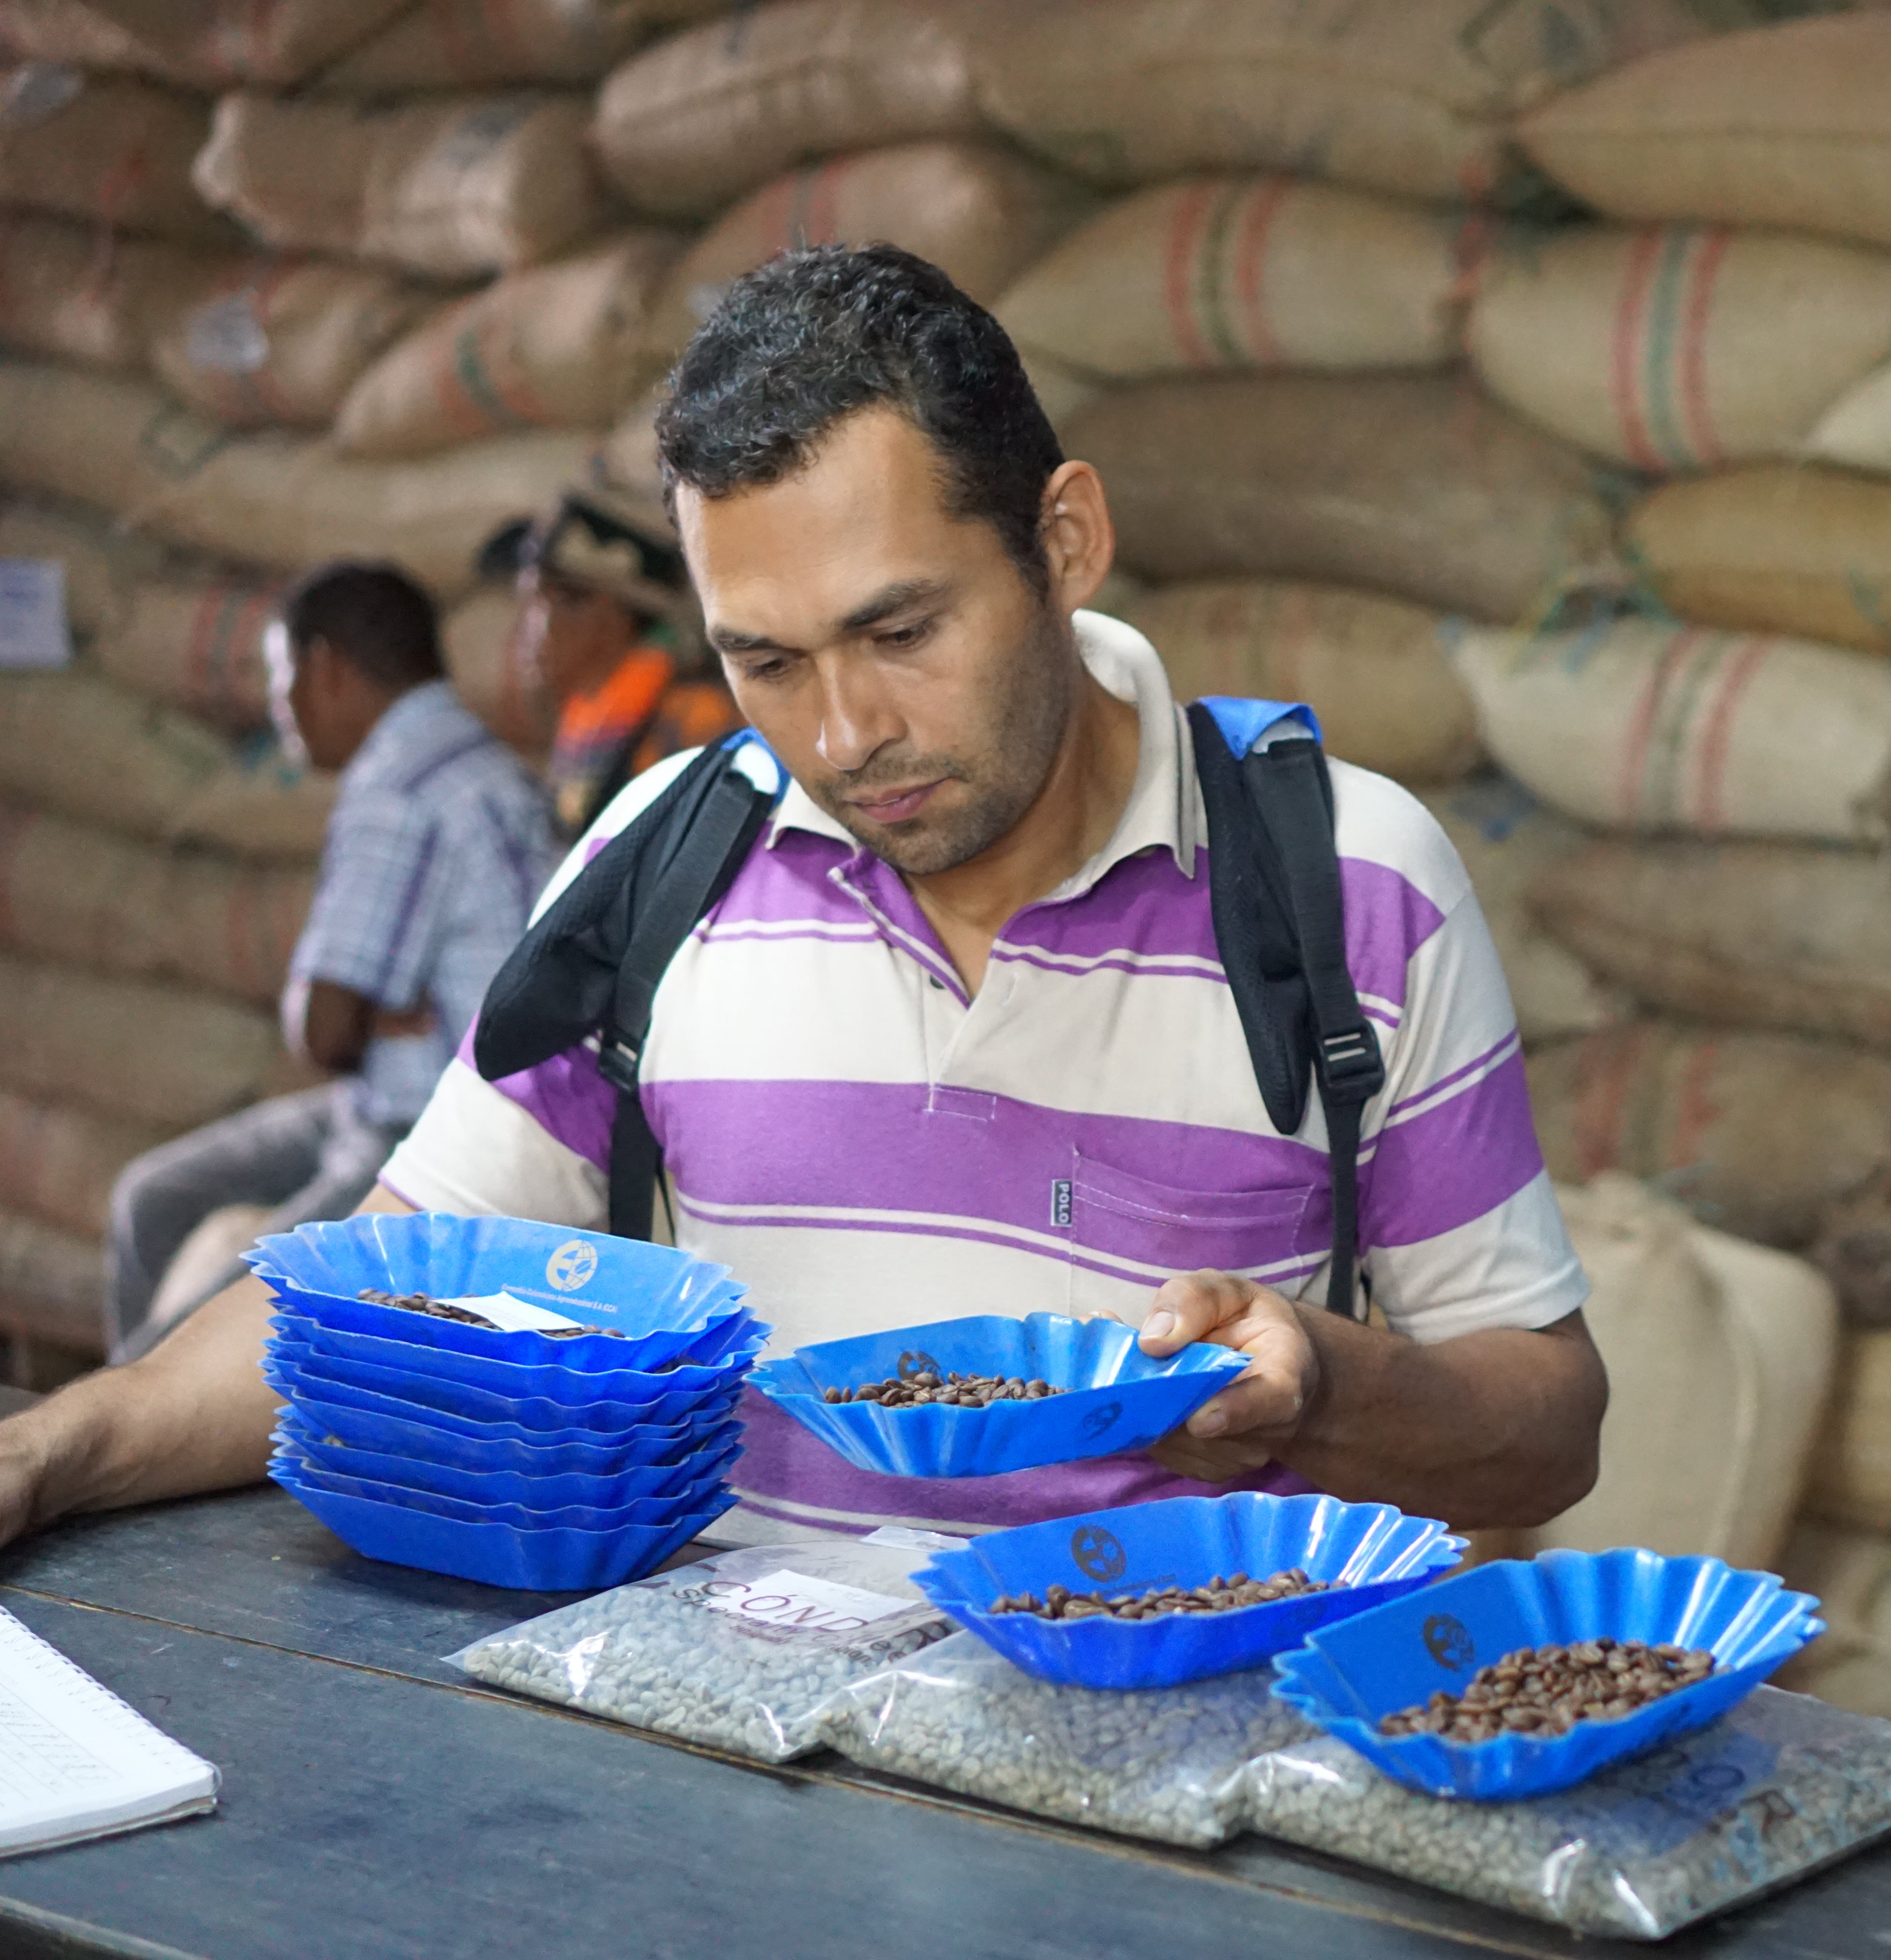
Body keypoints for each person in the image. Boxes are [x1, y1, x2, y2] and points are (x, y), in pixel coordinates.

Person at [20, 243, 1603, 1546]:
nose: (844, 738)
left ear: (1066, 542)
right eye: (764, 662)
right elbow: (392, 1289)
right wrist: (57, 1447)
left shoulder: (1344, 888)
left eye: (903, 631)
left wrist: (1334, 1392)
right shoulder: (665, 863)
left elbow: (1548, 1437)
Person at [100, 563, 557, 1363]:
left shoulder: (396, 789)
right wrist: (380, 1008)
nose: (277, 708)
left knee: (178, 1355)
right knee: (157, 1198)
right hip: (421, 1096)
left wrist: (359, 1011)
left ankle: (118, 1442)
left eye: (280, 679)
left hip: (420, 1131)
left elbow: (324, 1033)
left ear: (326, 669)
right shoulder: (487, 762)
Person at [480, 487, 743, 839]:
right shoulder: (587, 716)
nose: (525, 631)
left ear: (607, 614)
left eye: (544, 604)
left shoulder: (694, 715)